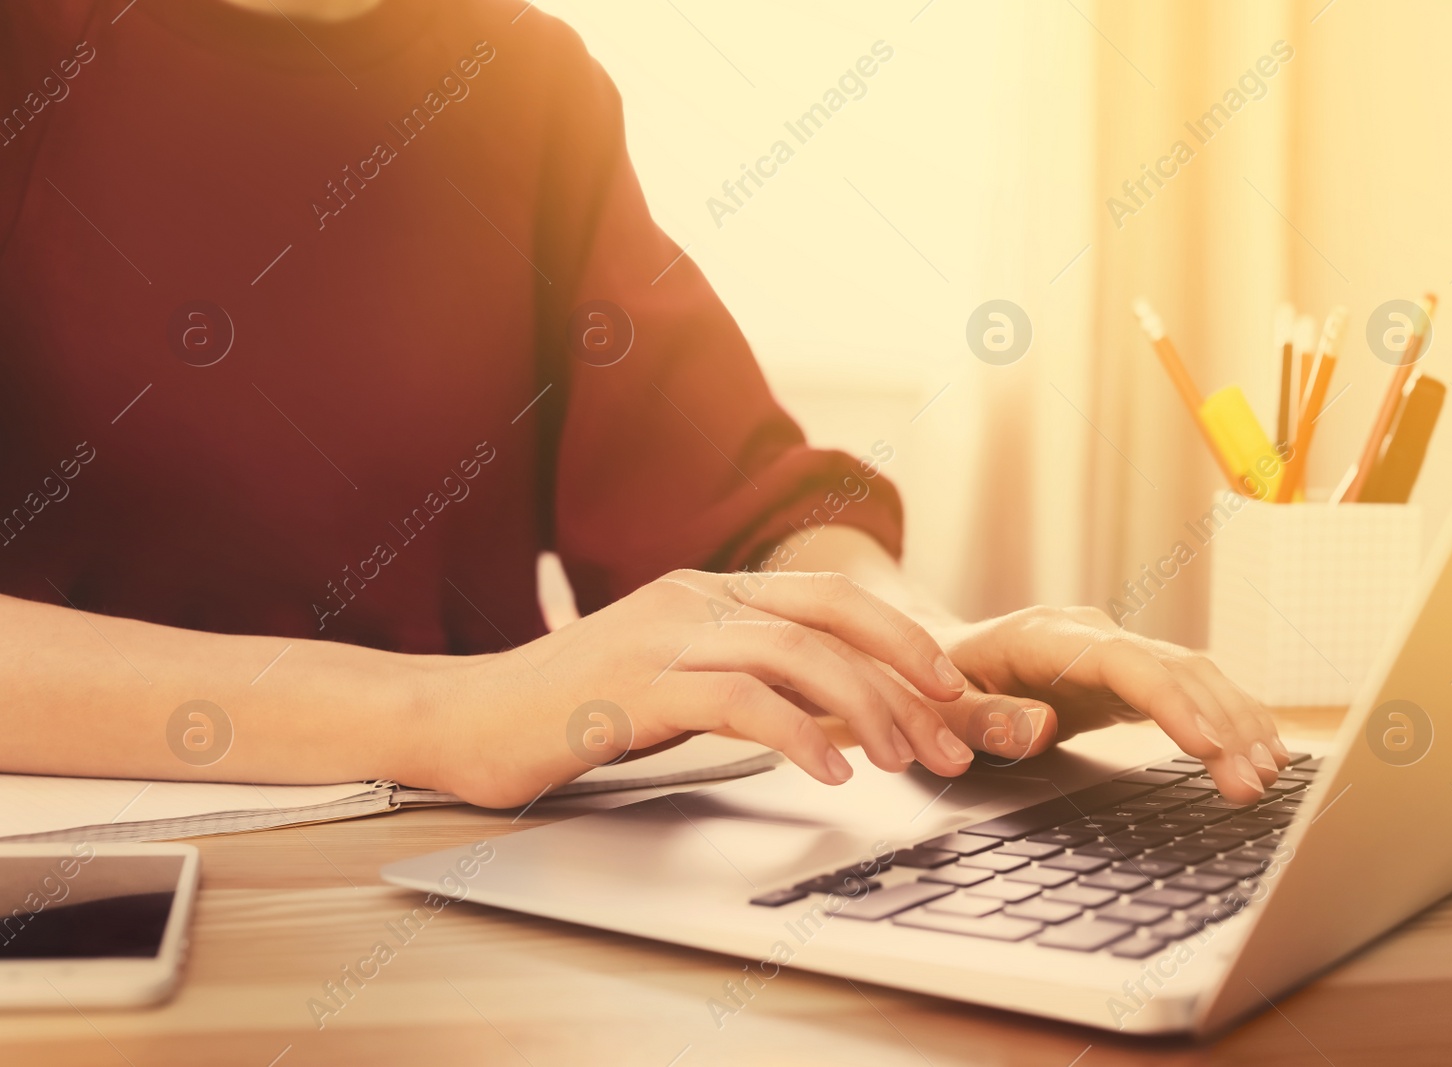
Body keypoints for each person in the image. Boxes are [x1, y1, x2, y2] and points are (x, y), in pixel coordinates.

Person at [0, 0, 1288, 810]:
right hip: (99, 891)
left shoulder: (519, 77)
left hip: (450, 881)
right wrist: (449, 718)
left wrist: (924, 654)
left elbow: (744, 508)